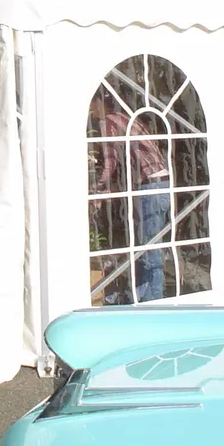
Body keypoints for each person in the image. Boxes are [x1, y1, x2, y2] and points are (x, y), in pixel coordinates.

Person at [91, 90, 170, 303]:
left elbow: (110, 163)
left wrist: (95, 187)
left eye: (92, 104)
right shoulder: (128, 118)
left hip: (148, 188)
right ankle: (142, 295)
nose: (91, 110)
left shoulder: (107, 122)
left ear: (100, 103)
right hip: (162, 184)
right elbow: (132, 159)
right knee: (149, 246)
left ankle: (154, 303)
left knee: (147, 250)